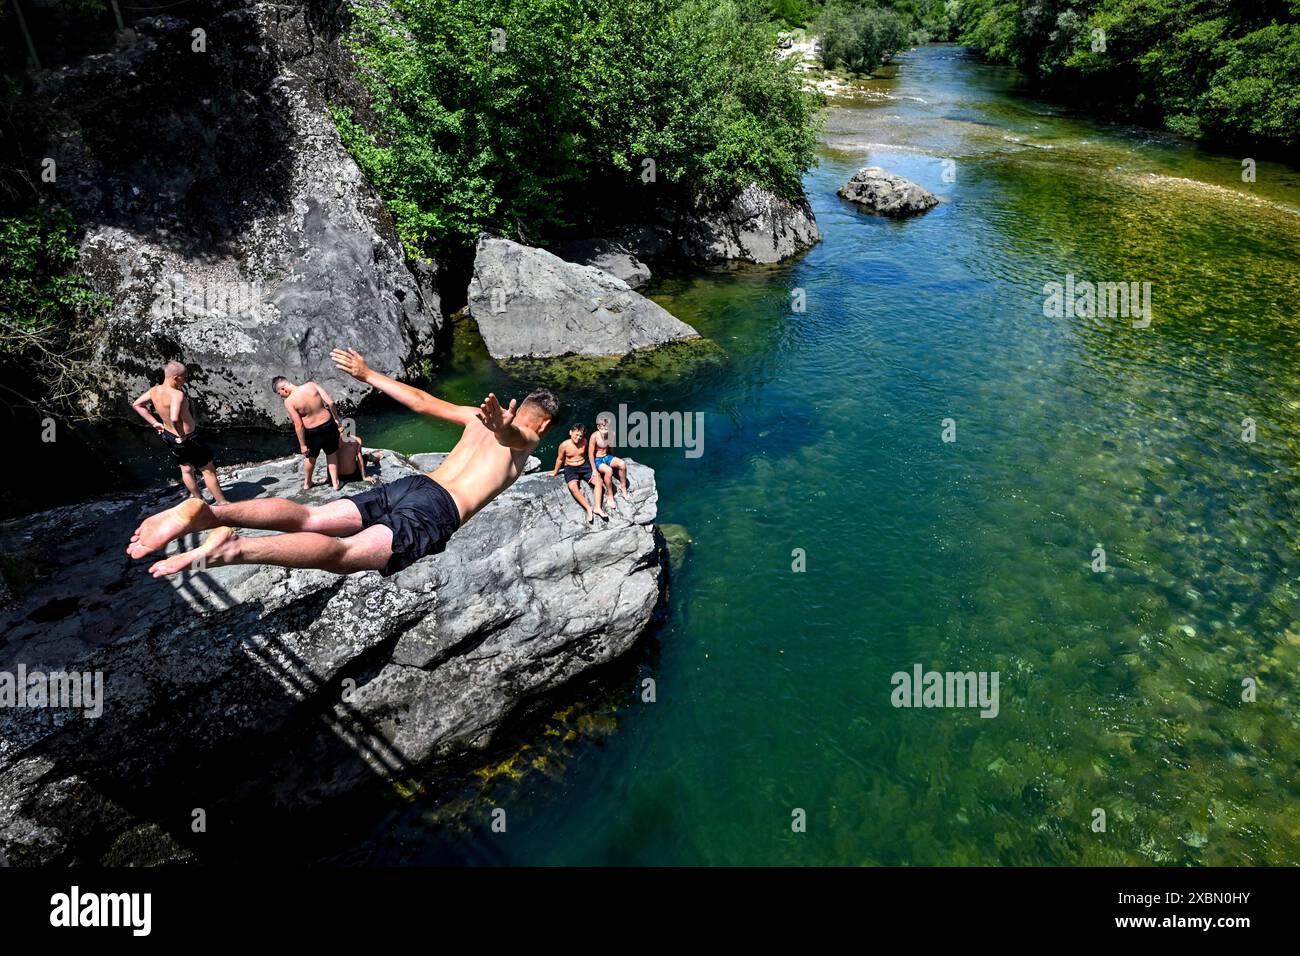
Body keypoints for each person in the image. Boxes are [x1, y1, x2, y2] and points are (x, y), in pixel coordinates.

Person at [126, 348, 557, 578]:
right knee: (344, 552)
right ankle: (235, 547)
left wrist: (369, 375)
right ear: (547, 422)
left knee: (312, 517)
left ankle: (212, 513)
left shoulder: (477, 417)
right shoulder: (525, 439)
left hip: (415, 485)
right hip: (436, 509)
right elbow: (520, 437)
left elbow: (422, 401)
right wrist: (504, 429)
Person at [131, 361, 229, 505]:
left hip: (168, 436)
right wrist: (182, 436)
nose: (186, 380)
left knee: (186, 469)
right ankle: (223, 503)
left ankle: (199, 501)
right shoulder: (177, 394)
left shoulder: (154, 390)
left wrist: (154, 423)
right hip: (187, 438)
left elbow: (137, 405)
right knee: (208, 470)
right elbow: (174, 418)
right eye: (185, 377)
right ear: (176, 378)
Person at [272, 375, 343, 491]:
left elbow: (298, 425)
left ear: (283, 389)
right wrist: (336, 418)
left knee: (310, 457)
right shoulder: (311, 385)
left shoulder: (289, 401)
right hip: (328, 425)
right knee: (331, 453)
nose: (282, 397)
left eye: (280, 394)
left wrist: (302, 445)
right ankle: (335, 483)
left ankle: (307, 483)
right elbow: (331, 403)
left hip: (312, 432)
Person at [551, 423, 606, 523]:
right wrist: (555, 472)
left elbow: (590, 454)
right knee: (573, 487)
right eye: (576, 434)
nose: (578, 437)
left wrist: (594, 469)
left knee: (599, 481)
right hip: (570, 468)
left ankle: (597, 507)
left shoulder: (585, 441)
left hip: (584, 466)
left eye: (581, 435)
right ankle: (588, 508)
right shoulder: (564, 445)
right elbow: (559, 459)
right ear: (570, 432)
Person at [588, 415, 630, 507]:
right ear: (598, 427)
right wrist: (594, 470)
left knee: (622, 464)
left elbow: (611, 448)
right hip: (597, 460)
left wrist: (614, 460)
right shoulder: (594, 436)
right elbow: (590, 454)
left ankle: (623, 487)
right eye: (602, 427)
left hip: (607, 457)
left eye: (607, 427)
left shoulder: (612, 434)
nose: (605, 430)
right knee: (609, 470)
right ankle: (610, 495)